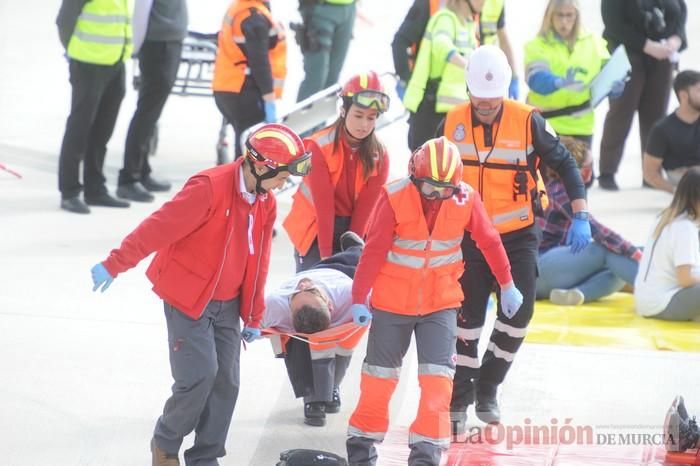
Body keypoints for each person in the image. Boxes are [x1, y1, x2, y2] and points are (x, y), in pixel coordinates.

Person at [89, 124, 311, 466]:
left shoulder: (264, 202)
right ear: (262, 165)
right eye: (283, 176)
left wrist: (253, 314)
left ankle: (205, 456)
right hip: (189, 299)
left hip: (229, 304)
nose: (284, 185)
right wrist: (115, 263)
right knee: (199, 375)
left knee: (227, 381)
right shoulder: (209, 188)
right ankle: (165, 442)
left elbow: (260, 259)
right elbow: (157, 227)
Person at [345, 137, 523, 466]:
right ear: (415, 176)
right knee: (378, 382)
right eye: (430, 188)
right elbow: (374, 250)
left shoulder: (465, 198)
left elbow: (490, 240)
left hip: (439, 305)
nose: (438, 196)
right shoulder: (394, 196)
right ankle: (361, 453)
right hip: (392, 304)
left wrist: (507, 283)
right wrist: (359, 297)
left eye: (446, 189)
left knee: (438, 383)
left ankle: (425, 456)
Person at [442, 45, 590, 428]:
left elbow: (566, 164)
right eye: (480, 99)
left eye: (494, 100)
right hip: (469, 239)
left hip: (517, 236)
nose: (487, 105)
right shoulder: (449, 123)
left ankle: (488, 387)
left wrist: (581, 215)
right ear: (469, 90)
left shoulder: (529, 121)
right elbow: (425, 172)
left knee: (519, 316)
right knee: (466, 321)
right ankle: (458, 401)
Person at [283, 71, 390, 272]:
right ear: (343, 110)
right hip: (315, 229)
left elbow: (364, 212)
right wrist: (326, 257)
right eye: (358, 116)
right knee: (313, 288)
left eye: (371, 118)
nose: (364, 125)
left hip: (354, 228)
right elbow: (324, 208)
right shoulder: (318, 146)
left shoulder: (380, 156)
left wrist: (351, 254)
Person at [262, 232, 365, 427]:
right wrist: (257, 332)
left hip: (340, 270)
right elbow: (252, 322)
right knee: (299, 344)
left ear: (330, 306)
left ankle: (331, 387)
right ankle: (313, 399)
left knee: (360, 259)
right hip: (300, 326)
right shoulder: (275, 307)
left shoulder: (351, 294)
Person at [524, 0, 625, 187]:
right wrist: (557, 82)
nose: (564, 21)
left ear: (577, 16)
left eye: (569, 15)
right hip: (547, 128)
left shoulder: (594, 43)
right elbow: (535, 79)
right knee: (544, 188)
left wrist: (616, 88)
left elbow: (609, 75)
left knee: (579, 187)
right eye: (559, 15)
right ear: (549, 17)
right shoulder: (537, 45)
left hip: (580, 128)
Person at [536, 137, 641, 305]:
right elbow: (597, 230)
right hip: (538, 270)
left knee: (615, 263)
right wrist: (634, 253)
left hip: (548, 270)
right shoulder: (561, 190)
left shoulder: (558, 188)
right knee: (609, 248)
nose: (591, 173)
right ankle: (655, 288)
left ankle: (577, 294)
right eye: (588, 167)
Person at [598, 0, 688, 191]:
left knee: (655, 117)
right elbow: (613, 24)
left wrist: (676, 39)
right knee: (620, 114)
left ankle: (651, 173)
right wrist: (646, 45)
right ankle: (607, 171)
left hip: (663, 59)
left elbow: (680, 14)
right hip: (628, 57)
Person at [56, 0, 132, 214]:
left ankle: (95, 188)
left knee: (103, 130)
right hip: (87, 63)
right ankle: (69, 191)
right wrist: (74, 51)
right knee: (79, 127)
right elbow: (64, 20)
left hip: (116, 61)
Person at [116, 0, 188, 203]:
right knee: (147, 112)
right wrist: (136, 46)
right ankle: (129, 178)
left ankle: (141, 170)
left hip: (169, 42)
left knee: (151, 112)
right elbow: (141, 11)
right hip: (157, 45)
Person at [392, 0, 519, 102]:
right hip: (429, 95)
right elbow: (401, 41)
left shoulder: (475, 17)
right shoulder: (432, 6)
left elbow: (502, 36)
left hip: (463, 94)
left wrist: (513, 76)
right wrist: (406, 79)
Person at [212, 0, 287, 159]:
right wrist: (269, 99)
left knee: (245, 150)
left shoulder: (242, 8)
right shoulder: (254, 18)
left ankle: (236, 180)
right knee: (251, 156)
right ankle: (238, 182)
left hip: (229, 87)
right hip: (242, 91)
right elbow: (260, 63)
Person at [402, 0, 479, 151]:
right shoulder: (446, 19)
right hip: (432, 110)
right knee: (425, 167)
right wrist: (469, 66)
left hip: (452, 113)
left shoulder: (468, 26)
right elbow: (441, 45)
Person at [634, 167, 700, 321]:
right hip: (663, 304)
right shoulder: (684, 227)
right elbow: (685, 279)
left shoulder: (665, 217)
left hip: (647, 302)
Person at [643, 70, 700, 194]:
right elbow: (649, 173)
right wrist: (675, 191)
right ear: (684, 95)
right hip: (684, 180)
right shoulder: (663, 129)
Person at [295, 0, 356, 102]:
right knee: (316, 75)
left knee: (333, 76)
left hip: (348, 8)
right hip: (320, 9)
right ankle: (302, 117)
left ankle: (322, 117)